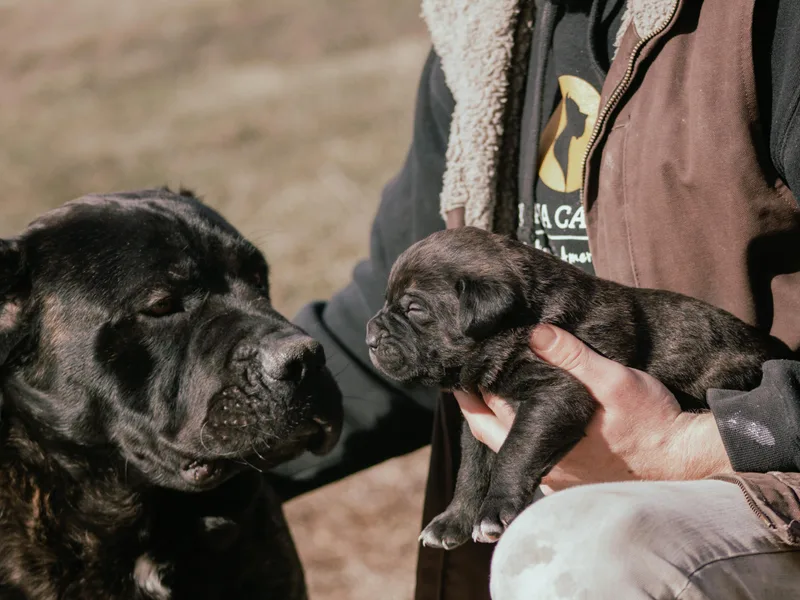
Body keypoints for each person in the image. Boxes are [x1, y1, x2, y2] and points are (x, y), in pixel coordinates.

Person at [269, 0, 800, 597]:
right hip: (576, 503)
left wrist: (694, 444)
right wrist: (218, 440)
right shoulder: (485, 24)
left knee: (575, 554)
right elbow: (374, 331)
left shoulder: (773, 21)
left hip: (771, 482)